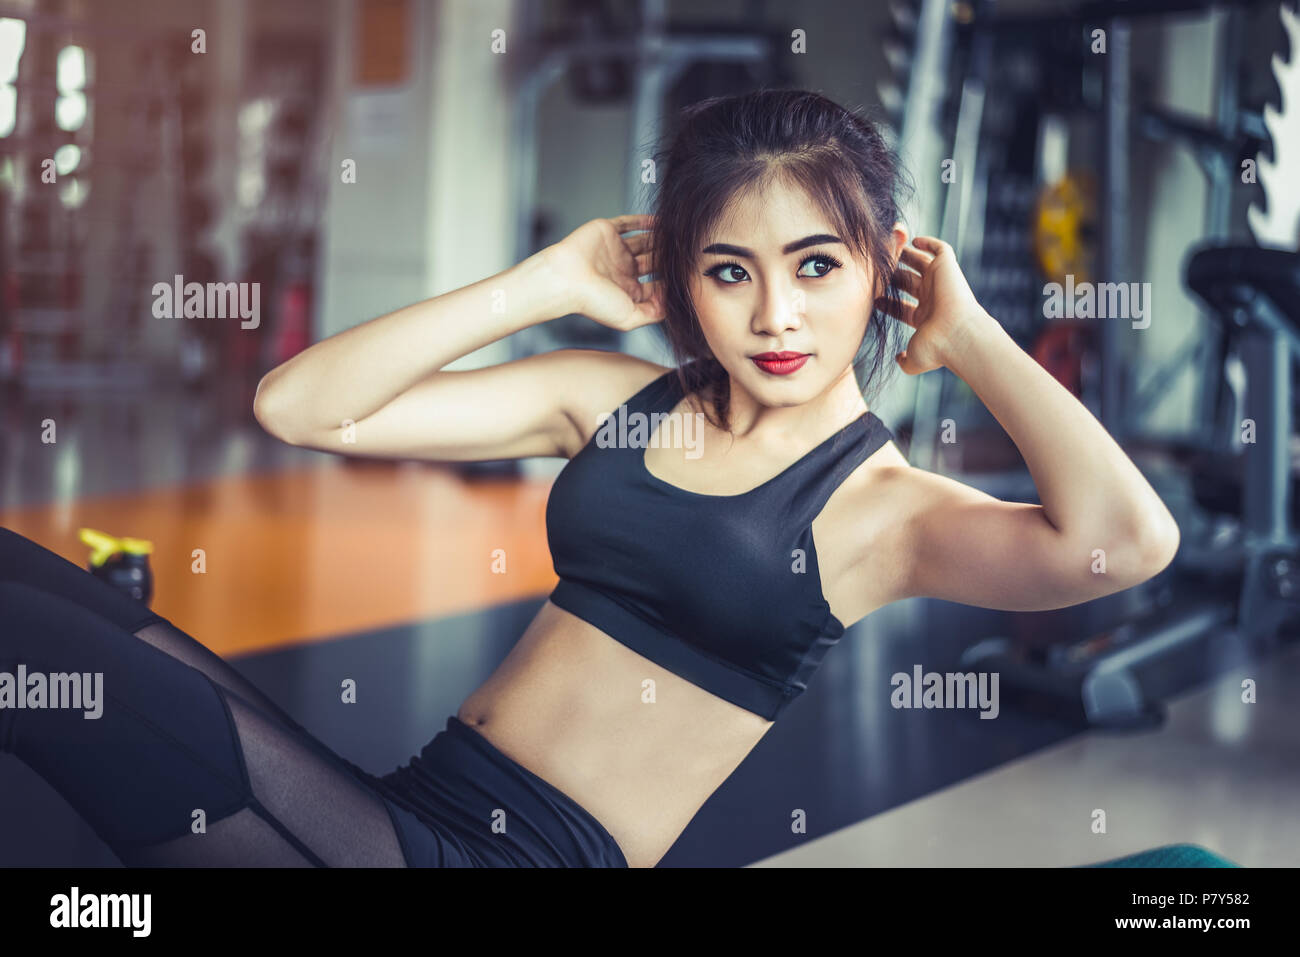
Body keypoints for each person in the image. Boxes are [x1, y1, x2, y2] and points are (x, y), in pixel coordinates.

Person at [0, 89, 1180, 868]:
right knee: (29, 588)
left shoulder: (886, 513)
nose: (776, 315)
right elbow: (298, 408)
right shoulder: (611, 400)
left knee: (48, 663)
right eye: (729, 272)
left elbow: (1127, 545)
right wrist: (540, 284)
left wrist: (969, 336)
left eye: (817, 265)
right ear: (680, 277)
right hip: (404, 804)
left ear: (883, 271)